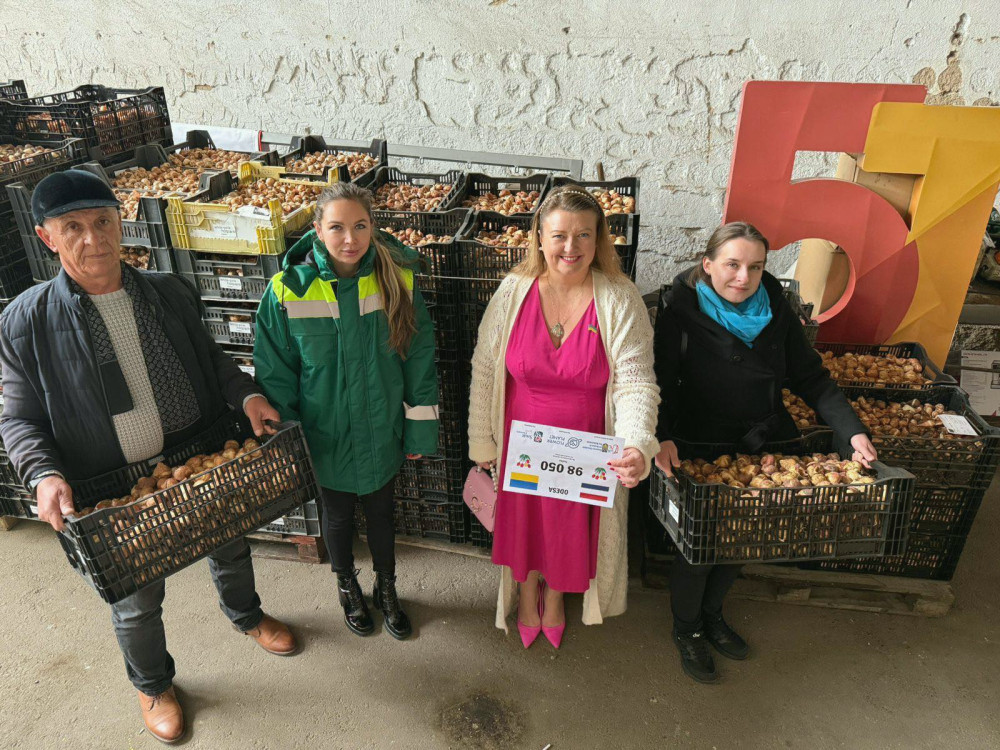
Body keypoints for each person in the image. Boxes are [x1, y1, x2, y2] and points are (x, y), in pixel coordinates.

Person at [0, 169, 297, 744]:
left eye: (103, 221)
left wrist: (247, 395)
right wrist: (43, 474)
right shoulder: (25, 322)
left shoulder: (167, 291)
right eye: (73, 227)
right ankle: (154, 684)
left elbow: (211, 359)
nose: (94, 239)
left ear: (122, 223)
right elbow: (18, 417)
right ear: (46, 237)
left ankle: (246, 615)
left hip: (197, 455)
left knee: (230, 545)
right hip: (111, 483)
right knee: (136, 597)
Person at [652, 221, 878, 684]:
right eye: (732, 264)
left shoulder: (775, 309)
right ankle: (687, 628)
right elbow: (660, 381)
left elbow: (811, 377)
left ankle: (713, 614)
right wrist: (663, 435)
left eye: (755, 267)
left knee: (742, 536)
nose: (743, 277)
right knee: (698, 548)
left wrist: (851, 431)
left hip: (760, 445)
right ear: (708, 264)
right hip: (700, 444)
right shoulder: (678, 311)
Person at [468, 185, 660, 648]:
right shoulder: (513, 291)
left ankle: (554, 594)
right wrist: (482, 439)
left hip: (586, 447)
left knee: (567, 528)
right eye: (559, 235)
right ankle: (527, 588)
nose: (570, 247)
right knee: (528, 524)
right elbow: (486, 367)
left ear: (599, 240)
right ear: (539, 237)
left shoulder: (619, 297)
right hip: (522, 441)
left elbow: (636, 381)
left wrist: (637, 442)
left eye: (583, 235)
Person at [254, 182, 438, 641]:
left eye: (360, 226)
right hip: (325, 433)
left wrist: (418, 430)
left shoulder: (398, 280)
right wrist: (289, 442)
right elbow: (276, 374)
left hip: (380, 428)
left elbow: (419, 360)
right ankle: (347, 586)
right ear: (317, 230)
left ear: (372, 227)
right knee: (335, 517)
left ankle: (387, 588)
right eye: (336, 227)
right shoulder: (286, 291)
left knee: (382, 514)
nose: (350, 239)